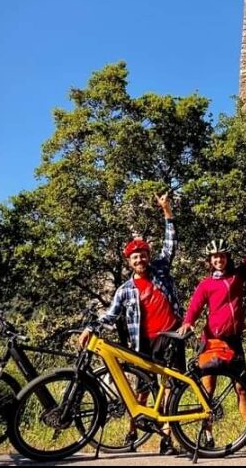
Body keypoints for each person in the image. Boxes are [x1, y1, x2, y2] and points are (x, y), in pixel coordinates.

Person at [79, 192, 184, 455]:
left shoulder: (160, 270)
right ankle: (133, 433)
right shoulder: (125, 289)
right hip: (143, 342)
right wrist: (92, 327)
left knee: (171, 387)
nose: (140, 259)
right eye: (135, 257)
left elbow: (171, 244)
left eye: (143, 255)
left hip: (171, 336)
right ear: (129, 262)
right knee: (142, 391)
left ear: (148, 256)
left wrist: (166, 211)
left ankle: (167, 438)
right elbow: (110, 315)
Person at [178, 211, 246, 451]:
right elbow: (195, 306)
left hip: (234, 341)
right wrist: (187, 323)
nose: (219, 260)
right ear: (210, 260)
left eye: (222, 256)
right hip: (211, 341)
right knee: (208, 389)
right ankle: (206, 435)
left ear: (227, 257)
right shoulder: (206, 284)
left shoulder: (238, 276)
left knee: (241, 387)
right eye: (215, 258)